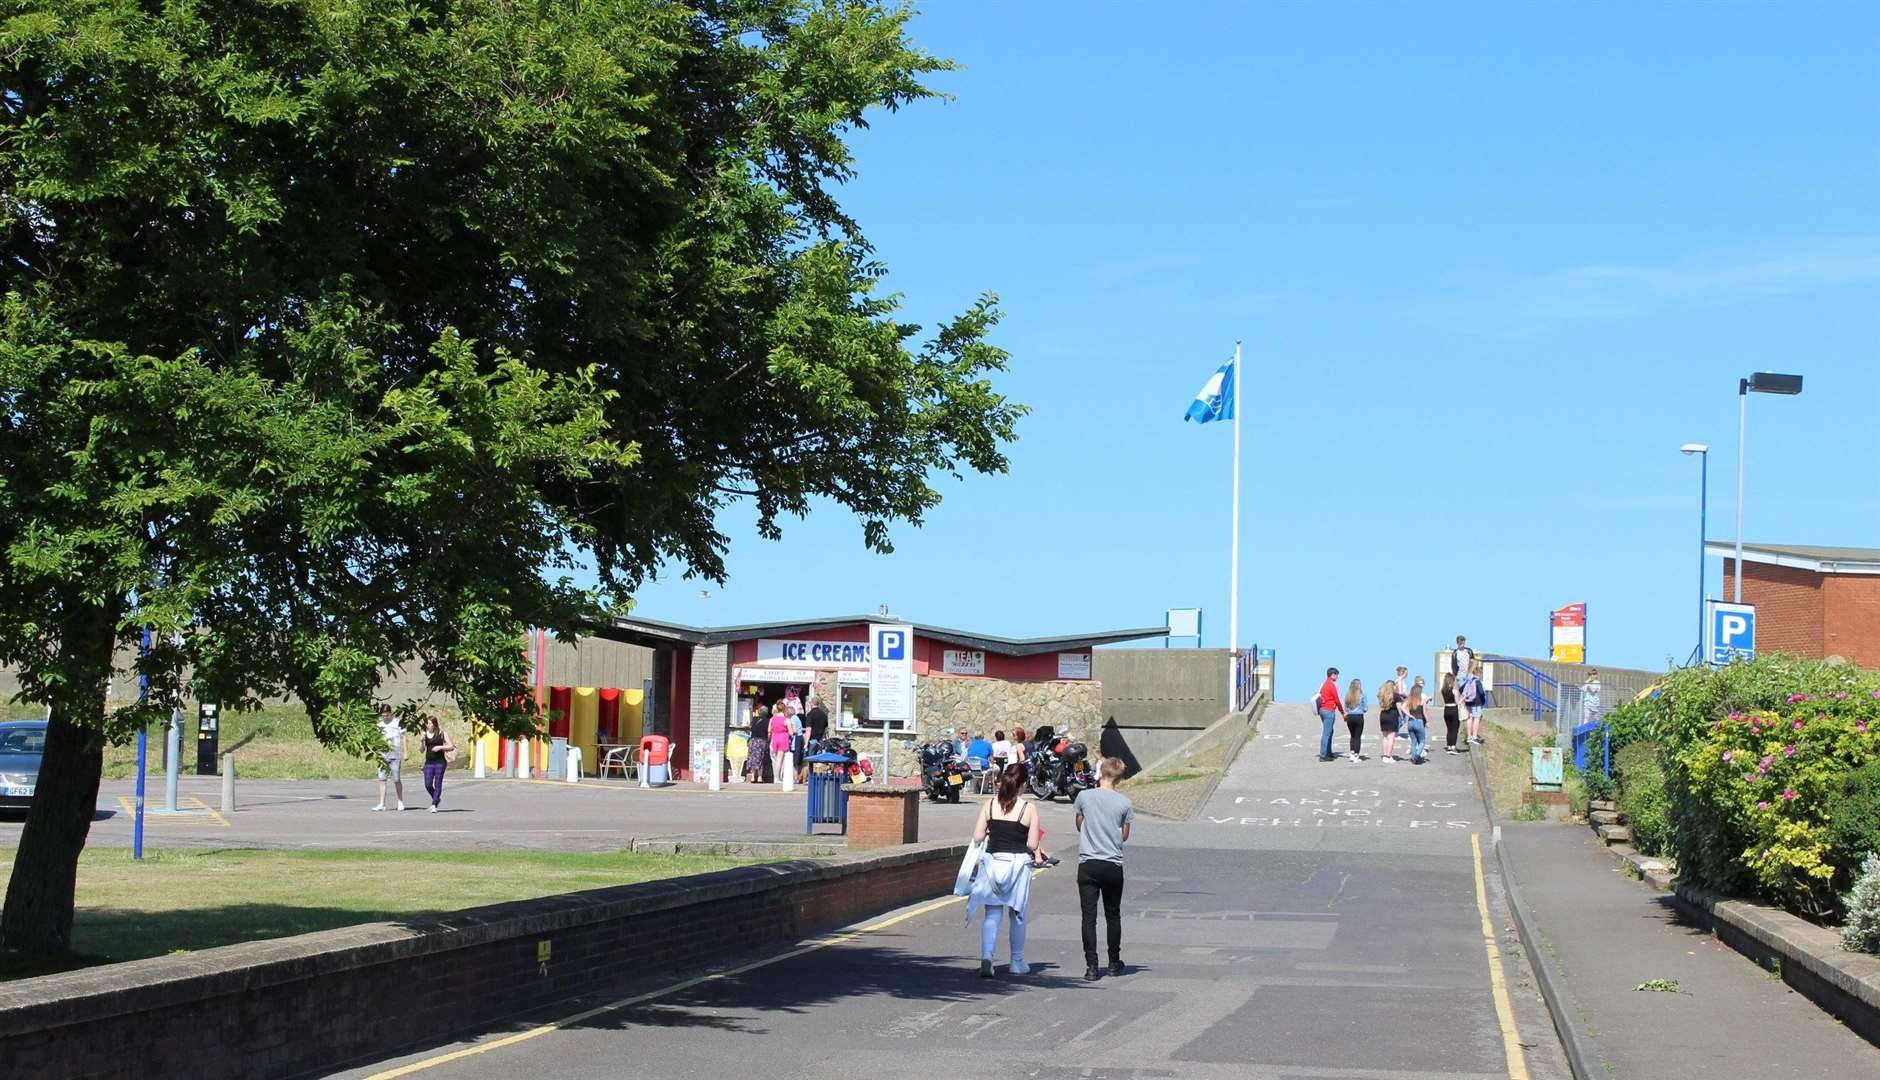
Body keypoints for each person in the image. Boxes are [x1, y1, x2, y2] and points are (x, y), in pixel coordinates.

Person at [966, 763, 1040, 977]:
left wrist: (991, 833)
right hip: (1018, 865)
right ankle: (1016, 962)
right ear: (1023, 784)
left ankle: (987, 956)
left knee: (992, 913)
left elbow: (978, 837)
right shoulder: (1028, 809)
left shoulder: (989, 805)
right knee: (1017, 913)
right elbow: (1033, 844)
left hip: (992, 862)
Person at [1074, 756, 1134, 981]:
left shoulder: (1084, 796)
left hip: (1088, 863)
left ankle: (1091, 965)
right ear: (1119, 779)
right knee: (1113, 914)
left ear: (1101, 773)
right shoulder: (1124, 803)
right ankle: (1113, 962)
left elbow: (1080, 824)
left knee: (1088, 917)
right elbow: (1124, 835)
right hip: (1112, 863)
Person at [418, 715, 455, 812]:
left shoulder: (442, 733)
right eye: (427, 723)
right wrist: (421, 741)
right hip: (429, 762)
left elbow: (451, 746)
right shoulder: (425, 734)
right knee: (428, 784)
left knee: (438, 783)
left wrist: (440, 747)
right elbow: (421, 750)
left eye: (430, 723)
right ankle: (436, 798)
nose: (428, 725)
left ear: (434, 724)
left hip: (440, 762)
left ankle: (434, 804)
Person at [372, 706, 405, 812]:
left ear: (391, 713)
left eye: (387, 715)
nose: (385, 717)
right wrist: (376, 753)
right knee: (382, 779)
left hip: (395, 754)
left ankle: (400, 801)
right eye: (383, 715)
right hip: (382, 755)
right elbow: (376, 740)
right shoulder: (379, 725)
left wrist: (406, 752)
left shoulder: (397, 723)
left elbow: (403, 737)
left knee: (396, 779)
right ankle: (382, 803)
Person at [1315, 667, 1342, 762]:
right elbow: (1337, 699)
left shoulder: (1323, 684)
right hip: (1329, 710)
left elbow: (1318, 695)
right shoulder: (1332, 685)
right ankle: (1323, 755)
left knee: (1330, 731)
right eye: (1336, 675)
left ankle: (1329, 752)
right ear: (1333, 675)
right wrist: (1342, 712)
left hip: (1322, 710)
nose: (1337, 677)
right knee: (1327, 733)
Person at [1461, 660, 1488, 745]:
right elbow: (1482, 693)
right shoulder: (1477, 681)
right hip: (1476, 703)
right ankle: (1475, 736)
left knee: (1469, 718)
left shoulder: (1469, 679)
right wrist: (1483, 701)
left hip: (1468, 701)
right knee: (1476, 719)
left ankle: (1469, 736)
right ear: (1479, 674)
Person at [1342, 678, 1368, 762]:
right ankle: (1356, 755)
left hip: (1350, 717)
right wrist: (1361, 710)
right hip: (1359, 716)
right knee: (1357, 736)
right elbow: (1365, 708)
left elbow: (1345, 708)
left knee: (1352, 735)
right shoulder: (1362, 695)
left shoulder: (1347, 695)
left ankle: (1352, 753)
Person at [1377, 679, 1401, 763]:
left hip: (1383, 715)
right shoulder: (1396, 695)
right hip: (1392, 716)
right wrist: (1401, 716)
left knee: (1385, 737)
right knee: (1391, 738)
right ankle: (1389, 756)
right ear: (1393, 686)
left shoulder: (1382, 695)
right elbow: (1399, 707)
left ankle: (1385, 755)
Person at [1404, 685, 1430, 764]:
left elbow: (1402, 707)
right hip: (1419, 721)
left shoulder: (1409, 700)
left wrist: (1408, 715)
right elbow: (1425, 713)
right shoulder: (1422, 701)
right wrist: (1428, 721)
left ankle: (1413, 757)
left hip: (1410, 722)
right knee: (1422, 741)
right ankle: (1417, 756)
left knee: (1413, 741)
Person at [768, 704, 793, 785]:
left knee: (775, 760)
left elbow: (769, 730)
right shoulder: (787, 720)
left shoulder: (772, 719)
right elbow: (791, 732)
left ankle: (776, 777)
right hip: (783, 739)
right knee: (780, 760)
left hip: (774, 738)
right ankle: (777, 778)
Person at [1441, 672, 1463, 754]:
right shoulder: (1454, 690)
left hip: (1446, 709)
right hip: (1453, 709)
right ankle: (1453, 746)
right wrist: (1463, 698)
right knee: (1455, 728)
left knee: (1449, 729)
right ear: (1452, 680)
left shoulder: (1443, 690)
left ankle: (1449, 746)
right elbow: (1457, 702)